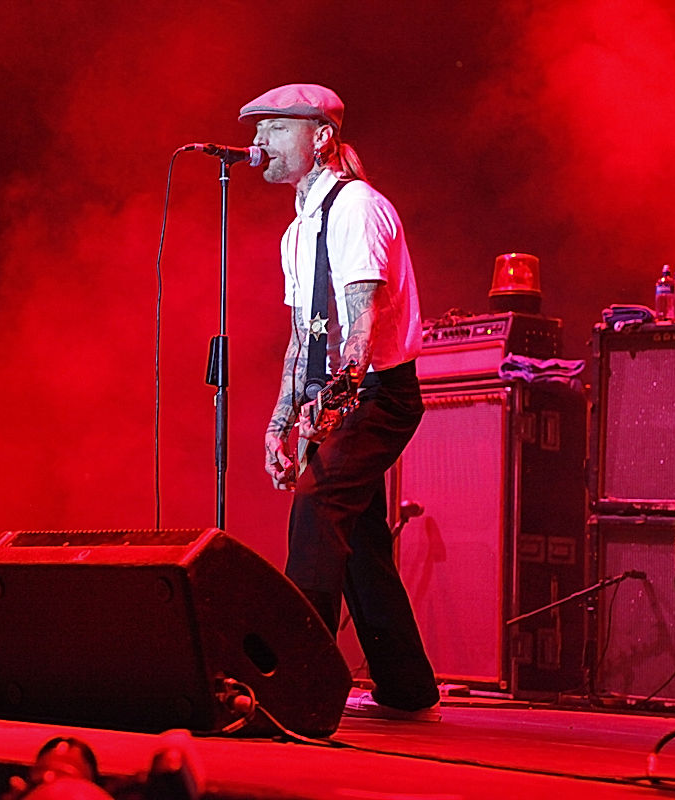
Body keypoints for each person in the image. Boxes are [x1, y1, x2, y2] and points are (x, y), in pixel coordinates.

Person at [243, 83, 440, 721]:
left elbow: (362, 323)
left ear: (320, 136)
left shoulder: (355, 208)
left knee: (318, 504)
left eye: (275, 128)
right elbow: (304, 337)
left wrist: (324, 416)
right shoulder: (296, 232)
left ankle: (298, 683)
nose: (259, 142)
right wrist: (279, 423)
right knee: (358, 536)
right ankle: (406, 684)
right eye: (259, 130)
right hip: (342, 396)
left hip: (377, 394)